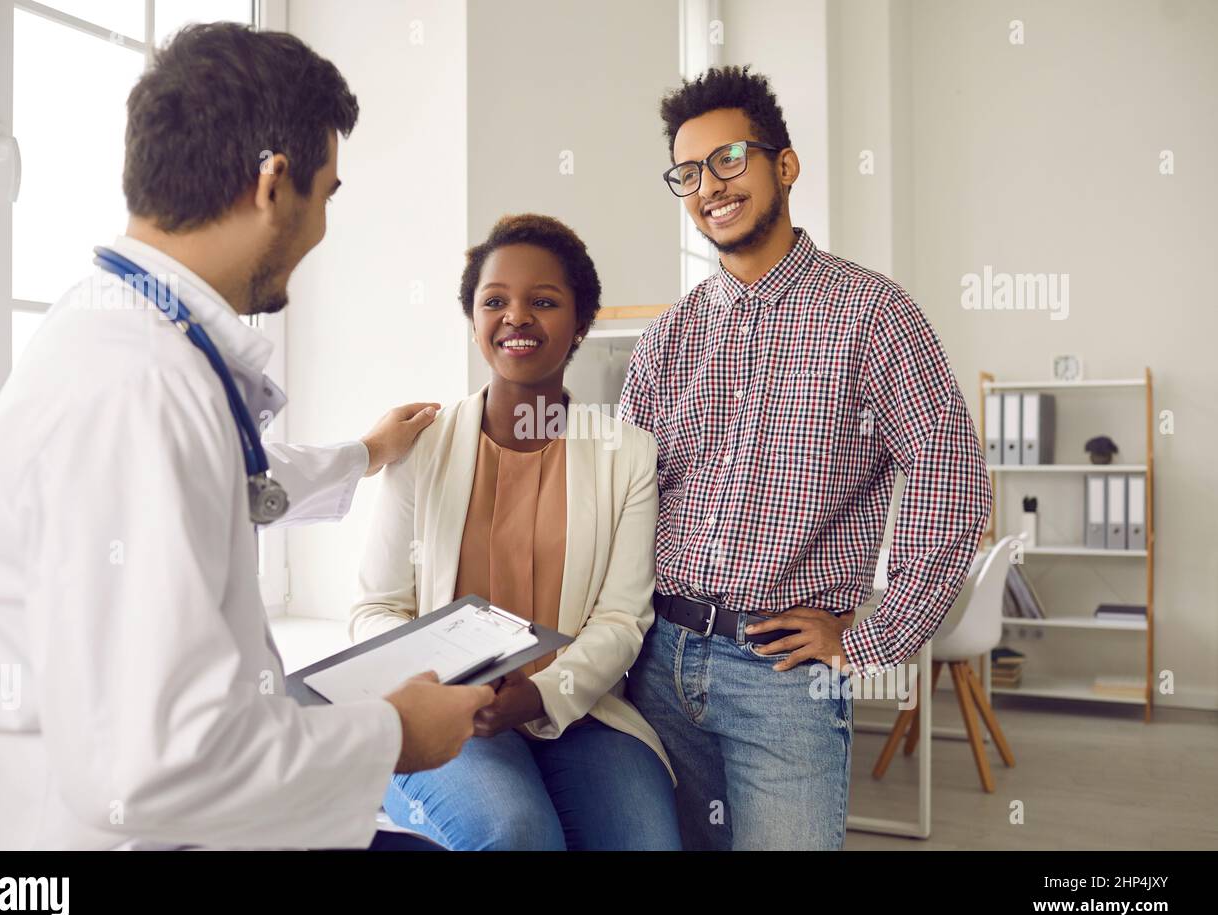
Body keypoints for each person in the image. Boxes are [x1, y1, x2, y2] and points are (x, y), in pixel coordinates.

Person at [0, 23, 492, 851]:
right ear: (272, 183)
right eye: (327, 195)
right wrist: (396, 733)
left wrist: (365, 455)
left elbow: (228, 479)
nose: (323, 229)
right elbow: (158, 766)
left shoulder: (129, 335)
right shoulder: (138, 388)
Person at [620, 66, 994, 850]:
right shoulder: (666, 340)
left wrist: (871, 637)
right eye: (687, 174)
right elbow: (622, 503)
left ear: (783, 166)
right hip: (656, 662)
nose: (708, 187)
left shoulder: (875, 315)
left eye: (728, 159)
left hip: (781, 676)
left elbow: (951, 482)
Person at [350, 214, 681, 851]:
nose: (517, 317)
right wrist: (442, 680)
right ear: (473, 318)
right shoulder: (422, 446)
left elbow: (621, 619)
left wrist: (538, 694)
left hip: (577, 710)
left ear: (581, 322)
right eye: (495, 301)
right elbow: (376, 607)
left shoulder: (626, 453)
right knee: (516, 835)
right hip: (440, 712)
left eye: (544, 302)